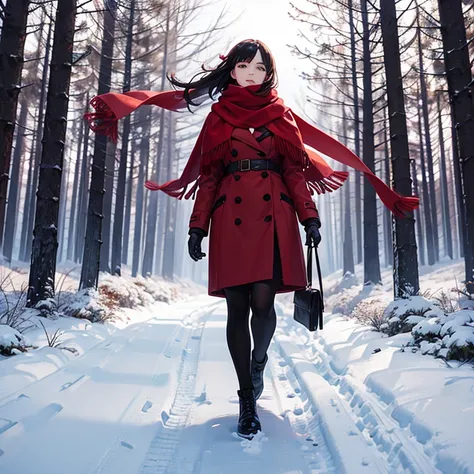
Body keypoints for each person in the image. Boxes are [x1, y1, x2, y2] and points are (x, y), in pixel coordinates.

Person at [84, 39, 419, 440]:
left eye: (260, 68)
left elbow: (295, 173)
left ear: (268, 74)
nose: (252, 74)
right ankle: (247, 399)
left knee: (263, 302)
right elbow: (208, 177)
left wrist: (309, 218)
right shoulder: (217, 117)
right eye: (245, 67)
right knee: (236, 308)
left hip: (274, 215)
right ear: (232, 70)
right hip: (230, 216)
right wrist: (198, 226)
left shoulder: (282, 116)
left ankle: (258, 360)